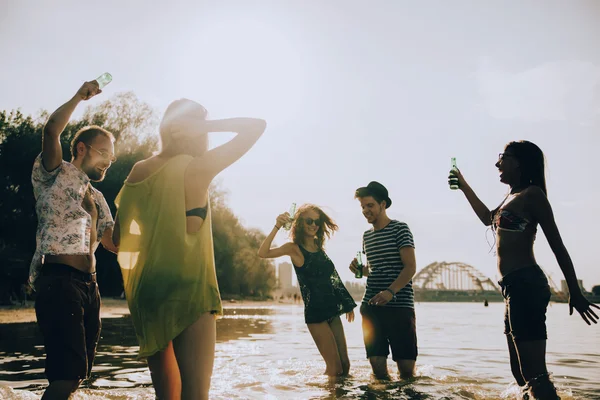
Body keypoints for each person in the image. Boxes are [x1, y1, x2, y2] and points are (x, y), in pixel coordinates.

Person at [113, 98, 266, 400]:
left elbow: (118, 237)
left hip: (149, 292)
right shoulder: (197, 168)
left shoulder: (138, 170)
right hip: (189, 287)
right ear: (195, 130)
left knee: (166, 396)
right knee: (195, 395)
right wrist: (208, 124)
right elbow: (256, 127)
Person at [449, 140, 599, 399]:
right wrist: (463, 186)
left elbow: (558, 246)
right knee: (520, 374)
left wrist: (575, 291)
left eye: (503, 157)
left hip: (526, 285)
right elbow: (488, 218)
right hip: (511, 288)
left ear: (518, 162)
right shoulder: (511, 195)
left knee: (535, 375)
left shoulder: (533, 195)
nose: (497, 163)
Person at [31, 80, 118, 400]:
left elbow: (113, 242)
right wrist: (80, 97)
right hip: (59, 282)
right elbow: (51, 131)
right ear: (82, 148)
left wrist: (137, 201)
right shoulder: (55, 172)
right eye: (104, 152)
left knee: (77, 374)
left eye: (112, 155)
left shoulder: (99, 197)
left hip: (88, 287)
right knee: (66, 376)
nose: (109, 160)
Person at [258, 204, 357, 377]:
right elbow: (263, 253)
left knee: (345, 365)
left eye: (317, 221)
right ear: (300, 224)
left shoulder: (319, 246)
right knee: (335, 368)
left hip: (332, 309)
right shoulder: (293, 248)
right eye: (309, 221)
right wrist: (277, 226)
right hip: (315, 313)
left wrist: (347, 303)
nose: (313, 225)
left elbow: (332, 276)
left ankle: (337, 394)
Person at [349, 181, 418, 380]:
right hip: (371, 307)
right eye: (362, 206)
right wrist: (361, 271)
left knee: (406, 373)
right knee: (378, 371)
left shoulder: (400, 229)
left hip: (399, 306)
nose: (365, 210)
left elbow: (410, 267)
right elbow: (377, 270)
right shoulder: (366, 236)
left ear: (383, 204)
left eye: (369, 205)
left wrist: (390, 292)